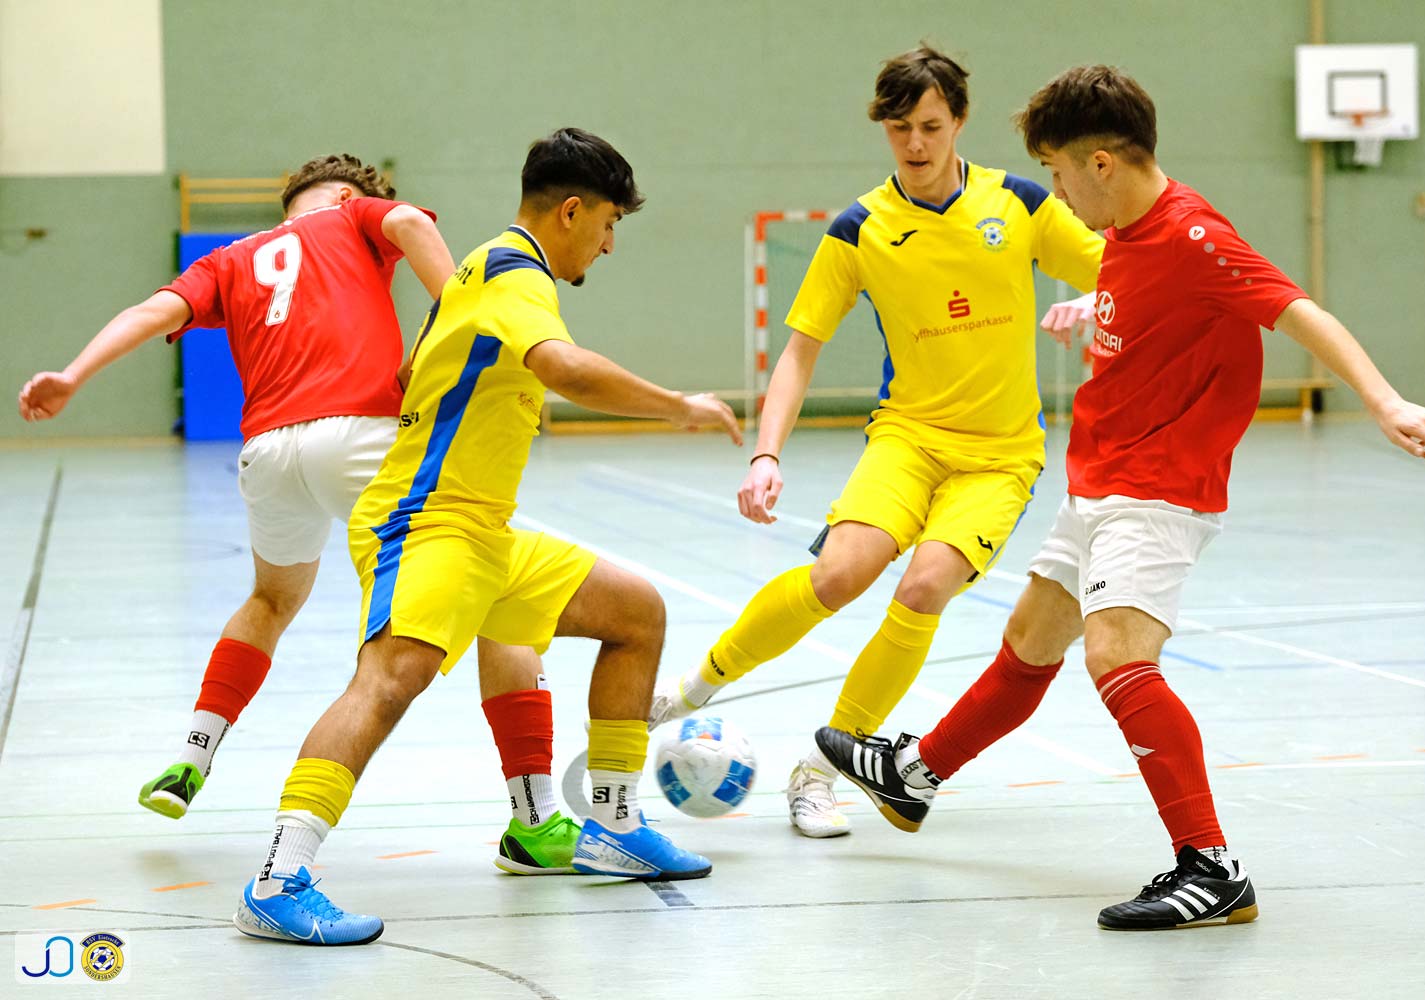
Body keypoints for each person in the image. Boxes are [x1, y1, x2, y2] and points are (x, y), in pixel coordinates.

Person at [814, 64, 1425, 929]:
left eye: (1060, 173)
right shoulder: (1123, 228)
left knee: (1117, 656)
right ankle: (916, 777)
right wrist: (1095, 311)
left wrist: (1386, 402)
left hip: (1157, 487)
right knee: (1031, 639)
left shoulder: (1194, 235)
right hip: (1102, 477)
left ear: (1102, 163)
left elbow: (1300, 312)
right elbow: (1150, 306)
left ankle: (1211, 867)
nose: (1059, 194)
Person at [233, 127, 743, 946]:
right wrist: (678, 406)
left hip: (481, 530)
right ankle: (276, 879)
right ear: (570, 211)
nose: (610, 244)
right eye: (609, 223)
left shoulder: (475, 270)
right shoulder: (515, 272)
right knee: (388, 681)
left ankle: (612, 826)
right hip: (427, 522)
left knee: (635, 613)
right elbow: (563, 368)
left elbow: (411, 374)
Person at [16, 155, 578, 876]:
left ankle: (192, 757)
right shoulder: (355, 214)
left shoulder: (230, 258)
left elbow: (150, 313)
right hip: (361, 436)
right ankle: (534, 819)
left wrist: (73, 374)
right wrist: (464, 325)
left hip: (268, 457)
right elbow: (410, 222)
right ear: (346, 195)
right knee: (498, 592)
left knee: (271, 599)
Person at [648, 46, 1104, 838]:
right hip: (909, 439)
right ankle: (695, 687)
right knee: (837, 575)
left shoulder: (1020, 203)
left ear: (958, 121)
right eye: (899, 129)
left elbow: (1123, 270)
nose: (915, 144)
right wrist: (765, 455)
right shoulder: (861, 229)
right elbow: (800, 350)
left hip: (1000, 456)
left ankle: (820, 772)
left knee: (924, 587)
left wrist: (1093, 304)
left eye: (930, 125)